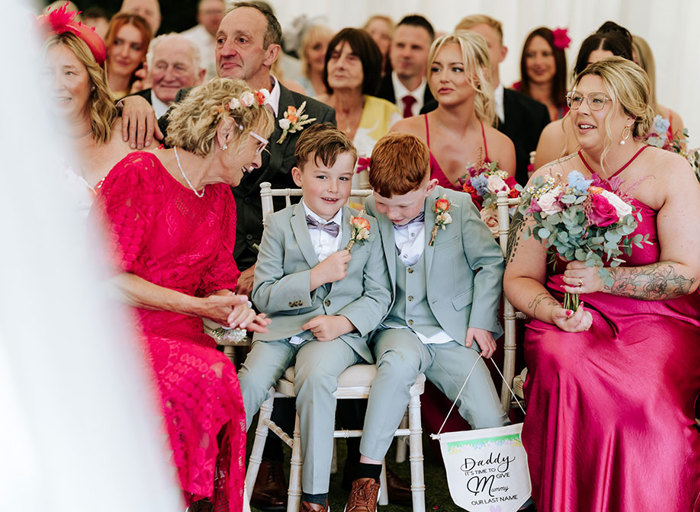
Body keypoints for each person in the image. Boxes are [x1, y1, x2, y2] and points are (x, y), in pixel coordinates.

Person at [504, 57, 700, 511]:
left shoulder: (669, 172)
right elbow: (518, 277)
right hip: (570, 317)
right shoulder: (547, 179)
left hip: (658, 321)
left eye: (598, 101)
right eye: (576, 100)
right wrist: (552, 310)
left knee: (643, 400)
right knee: (561, 360)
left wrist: (607, 278)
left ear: (631, 113)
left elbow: (687, 273)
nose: (581, 111)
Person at [96, 77, 275, 512]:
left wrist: (232, 307)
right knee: (210, 373)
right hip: (120, 336)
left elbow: (217, 280)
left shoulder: (221, 199)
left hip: (185, 335)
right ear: (225, 133)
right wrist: (198, 306)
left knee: (215, 372)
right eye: (258, 145)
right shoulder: (141, 172)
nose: (258, 160)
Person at [342, 132, 508, 511]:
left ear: (429, 187)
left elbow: (489, 263)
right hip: (397, 326)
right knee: (395, 368)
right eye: (384, 203)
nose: (392, 214)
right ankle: (366, 480)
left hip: (451, 332)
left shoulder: (459, 207)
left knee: (486, 411)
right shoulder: (368, 209)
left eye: (402, 206)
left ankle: (505, 494)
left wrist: (480, 321)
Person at [238, 124, 392, 512]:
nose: (333, 188)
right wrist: (314, 277)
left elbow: (379, 295)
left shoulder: (366, 228)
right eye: (322, 176)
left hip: (334, 335)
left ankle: (314, 498)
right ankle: (211, 479)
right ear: (298, 176)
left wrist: (343, 323)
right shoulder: (279, 224)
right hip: (280, 330)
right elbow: (262, 294)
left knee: (317, 377)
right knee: (248, 383)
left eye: (342, 177)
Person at [39, 5, 133, 217]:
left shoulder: (129, 132)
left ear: (93, 81)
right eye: (46, 73)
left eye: (69, 73)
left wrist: (136, 102)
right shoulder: (28, 144)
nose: (56, 85)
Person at [392, 31, 516, 191]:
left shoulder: (501, 147)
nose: (443, 78)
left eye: (456, 69)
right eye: (436, 69)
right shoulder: (404, 133)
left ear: (480, 75)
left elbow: (503, 214)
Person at [455, 15, 550, 186]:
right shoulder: (433, 110)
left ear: (503, 53)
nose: (476, 54)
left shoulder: (535, 113)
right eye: (467, 47)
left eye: (484, 45)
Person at [533, 21, 633, 170]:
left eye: (608, 67)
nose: (599, 73)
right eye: (591, 66)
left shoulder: (641, 129)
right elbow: (540, 190)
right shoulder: (554, 135)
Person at [317, 28, 400, 190]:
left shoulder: (388, 113)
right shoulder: (311, 110)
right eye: (334, 57)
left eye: (351, 58)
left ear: (369, 66)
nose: (340, 65)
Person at [133, 33, 205, 118]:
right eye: (161, 66)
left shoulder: (211, 115)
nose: (168, 77)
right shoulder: (123, 112)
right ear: (148, 71)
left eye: (179, 68)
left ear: (200, 76)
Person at [376, 15, 435, 118]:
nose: (406, 54)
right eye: (400, 45)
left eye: (415, 47)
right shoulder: (373, 93)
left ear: (431, 52)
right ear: (390, 48)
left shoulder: (438, 99)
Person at [632, 34, 685, 144]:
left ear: (646, 68)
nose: (629, 71)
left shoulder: (672, 119)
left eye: (635, 64)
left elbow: (682, 160)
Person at [513, 27, 568, 121]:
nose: (538, 62)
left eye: (545, 54)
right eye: (531, 55)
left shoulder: (572, 103)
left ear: (558, 58)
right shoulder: (509, 99)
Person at [104, 13, 152, 99]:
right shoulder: (85, 86)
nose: (124, 54)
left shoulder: (146, 94)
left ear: (144, 54)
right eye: (118, 42)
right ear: (107, 42)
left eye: (135, 47)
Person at [181, 0, 226, 81]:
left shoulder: (236, 39)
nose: (214, 17)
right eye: (209, 12)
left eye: (218, 12)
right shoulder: (185, 41)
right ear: (199, 16)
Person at [298, 24, 333, 97]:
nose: (325, 52)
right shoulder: (296, 89)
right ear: (306, 55)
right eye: (317, 47)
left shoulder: (342, 88)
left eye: (330, 47)